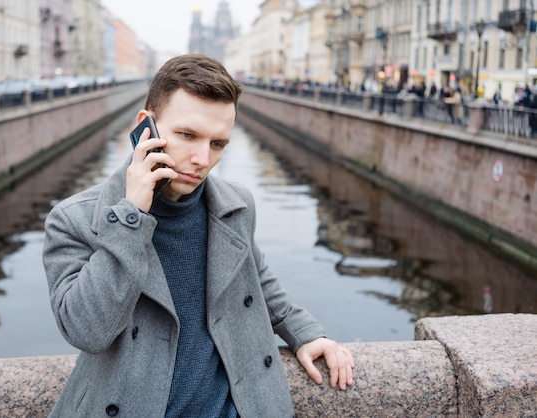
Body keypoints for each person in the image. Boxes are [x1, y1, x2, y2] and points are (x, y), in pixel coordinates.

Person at [42, 54, 354, 417]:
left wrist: (308, 333)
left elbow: (257, 284)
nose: (202, 160)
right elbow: (87, 330)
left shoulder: (236, 206)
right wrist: (131, 216)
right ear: (147, 128)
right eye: (188, 135)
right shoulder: (75, 218)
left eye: (218, 144)